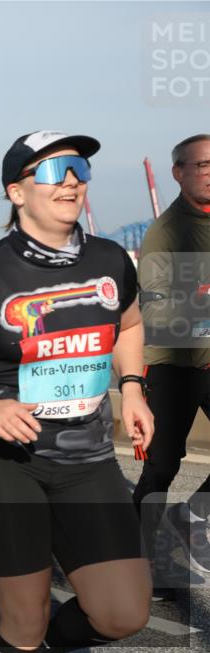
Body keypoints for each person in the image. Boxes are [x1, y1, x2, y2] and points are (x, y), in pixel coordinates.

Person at [0, 132, 154, 653]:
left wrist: (132, 388)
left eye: (80, 170)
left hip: (86, 460)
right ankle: (22, 651)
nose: (70, 180)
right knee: (25, 619)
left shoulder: (112, 259)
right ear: (16, 192)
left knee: (123, 614)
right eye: (52, 170)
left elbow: (129, 325)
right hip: (4, 463)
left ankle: (42, 651)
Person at [132, 134, 210, 575]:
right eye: (201, 166)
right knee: (161, 470)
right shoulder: (164, 233)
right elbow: (159, 309)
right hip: (170, 365)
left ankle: (192, 514)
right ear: (178, 173)